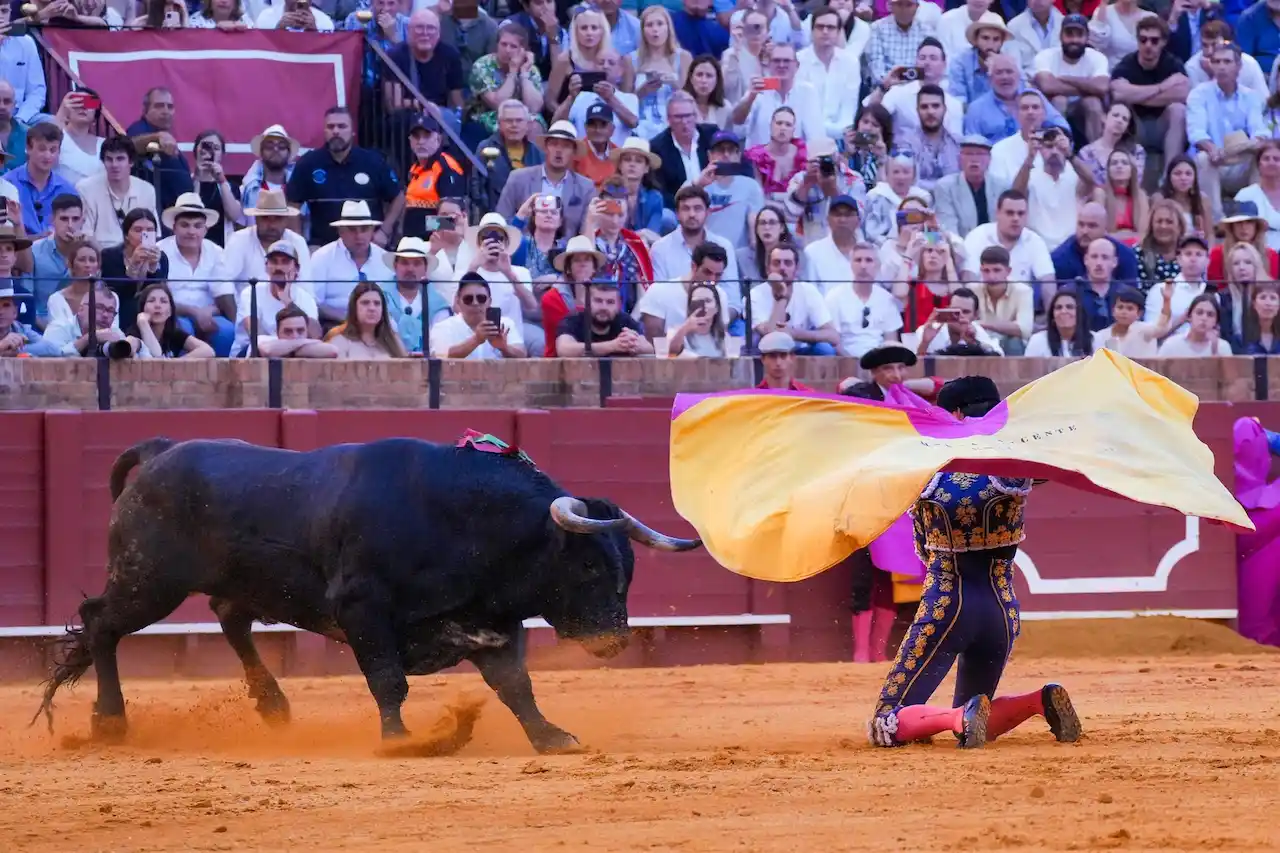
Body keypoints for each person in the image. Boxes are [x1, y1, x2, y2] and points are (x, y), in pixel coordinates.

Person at [868, 376, 1083, 750]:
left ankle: (955, 718)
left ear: (953, 414)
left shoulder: (928, 469)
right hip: (1002, 612)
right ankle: (1037, 700)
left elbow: (920, 544)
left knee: (887, 721)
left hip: (947, 608)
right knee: (973, 710)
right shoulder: (1013, 465)